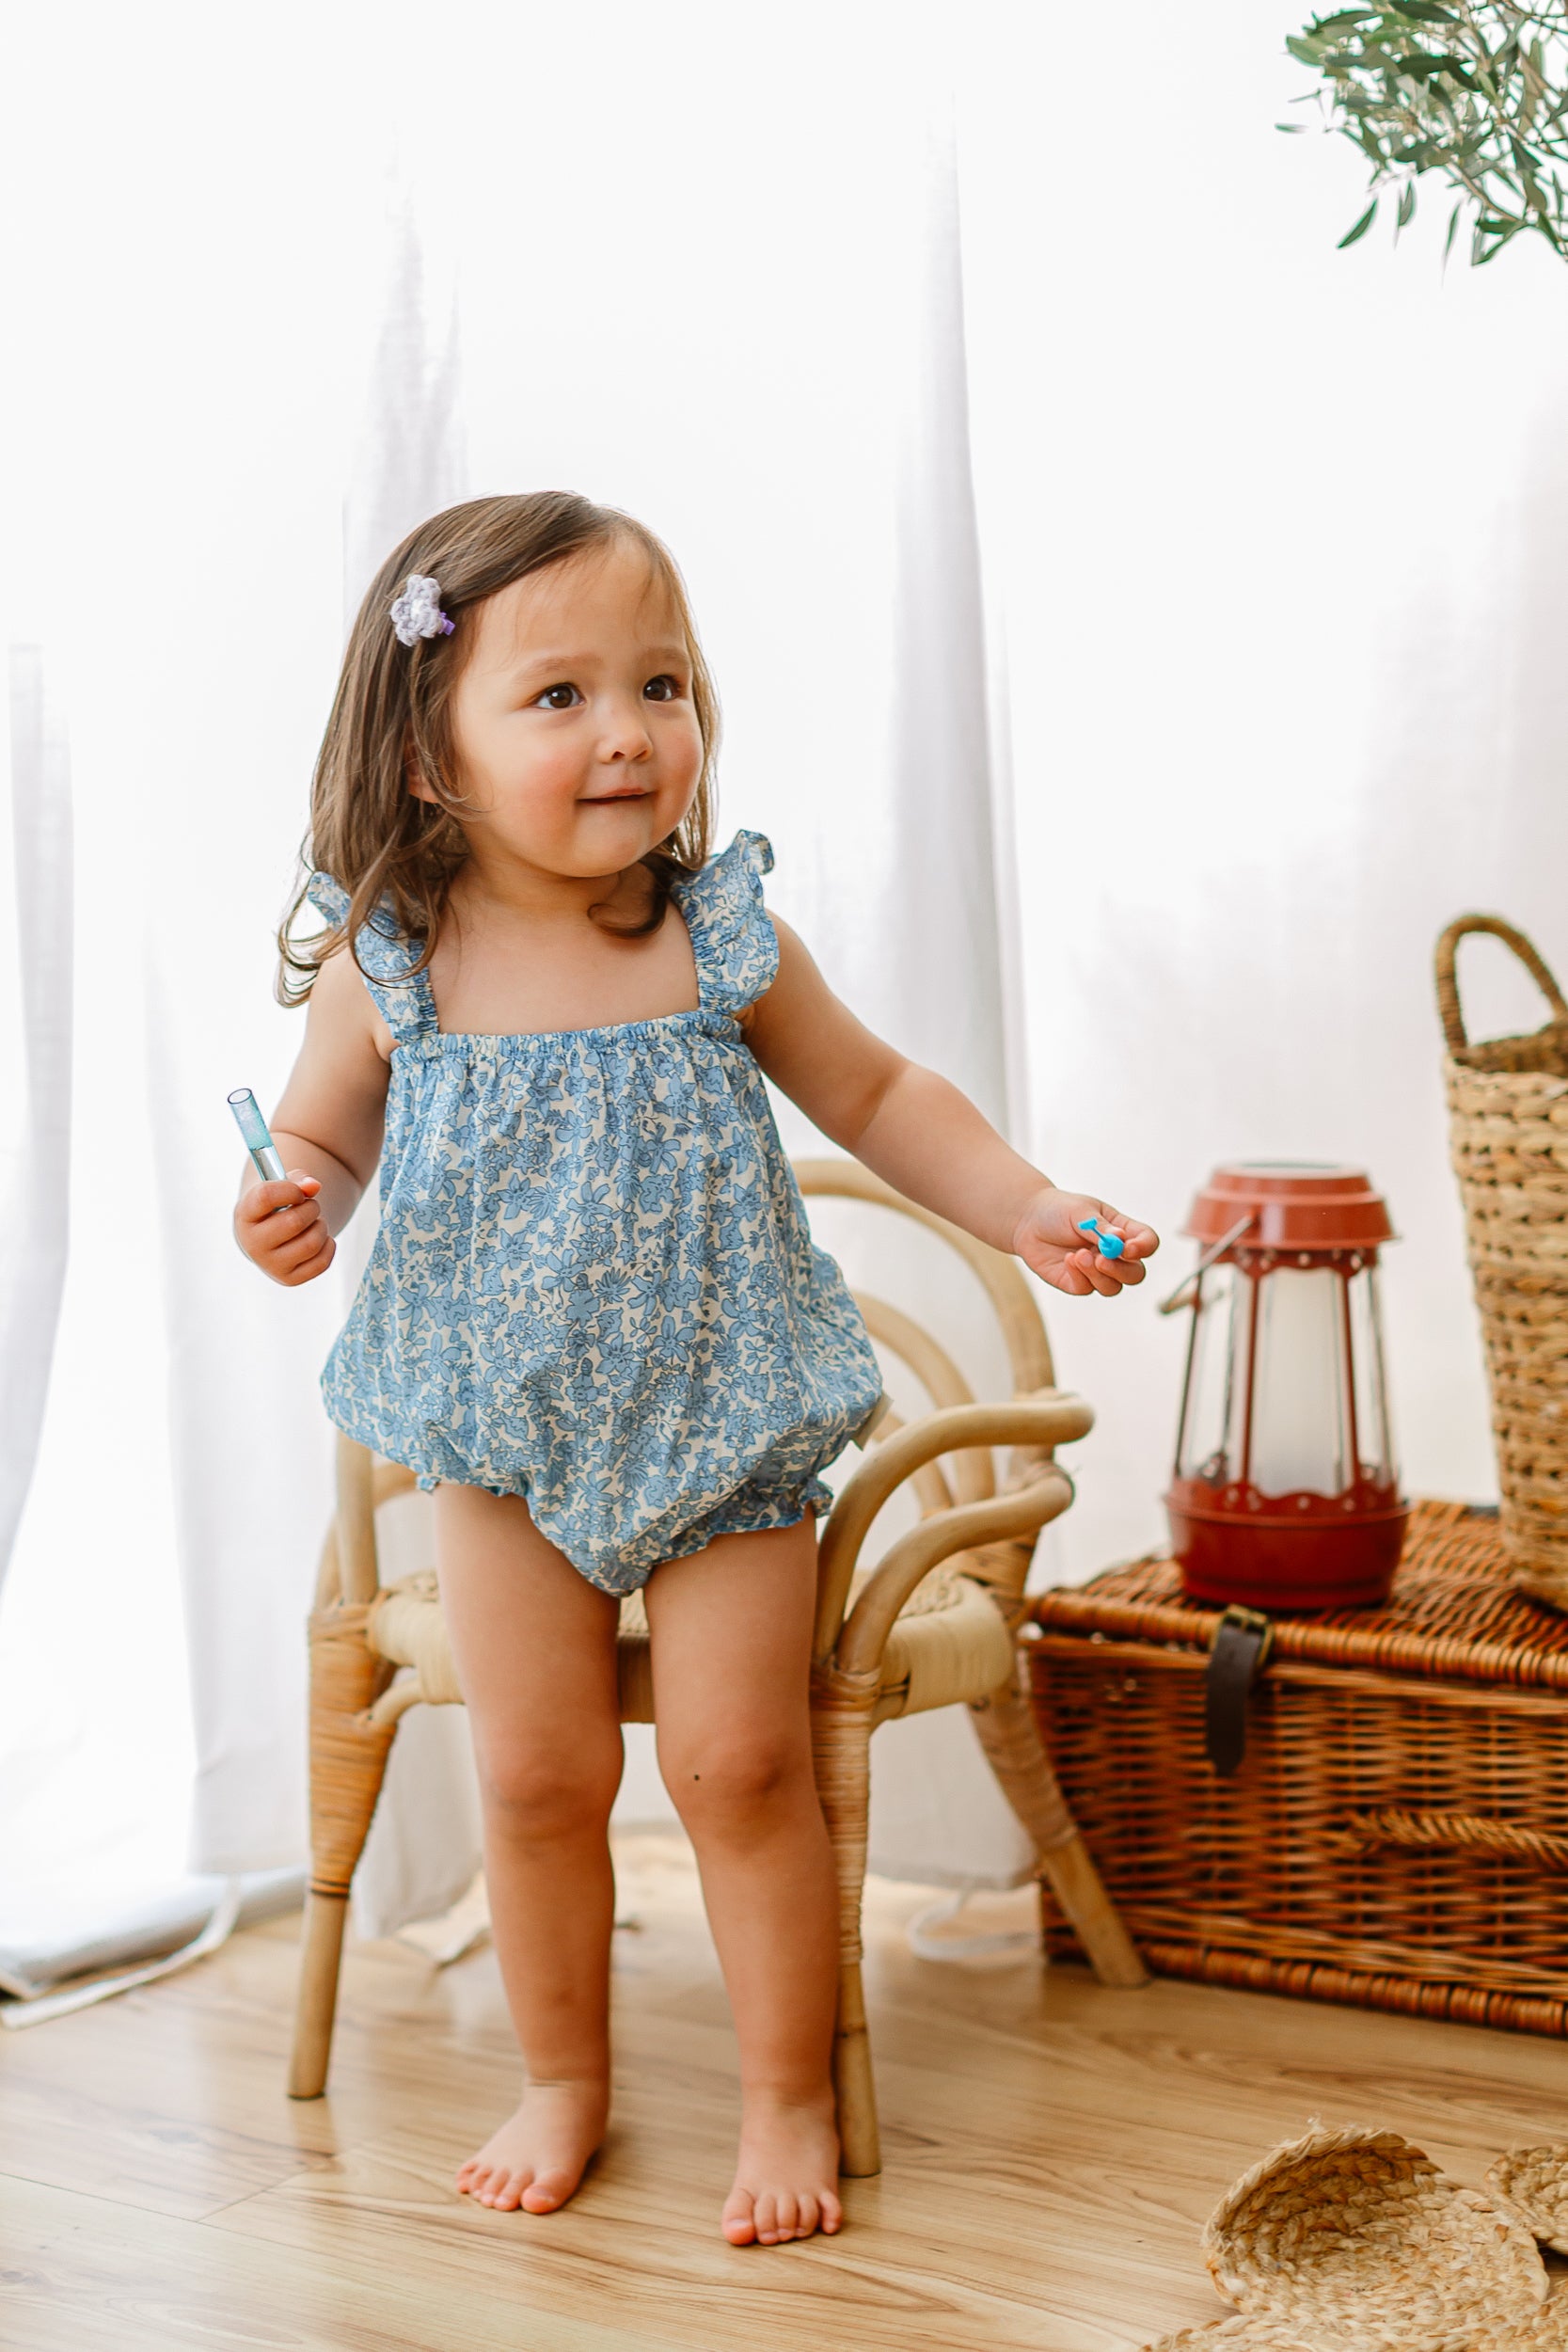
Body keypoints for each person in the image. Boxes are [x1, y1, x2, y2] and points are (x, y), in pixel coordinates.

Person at [234, 490, 1157, 2249]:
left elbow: (881, 1097)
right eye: (560, 695)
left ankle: (784, 2092)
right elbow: (321, 1144)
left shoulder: (715, 935)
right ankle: (564, 2076)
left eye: (660, 682)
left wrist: (1027, 1202)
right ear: (432, 756)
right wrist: (292, 1199)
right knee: (533, 1775)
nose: (630, 731)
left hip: (726, 1412)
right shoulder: (394, 958)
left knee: (742, 1766)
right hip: (501, 1432)